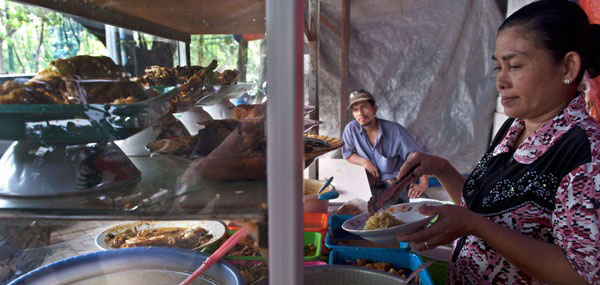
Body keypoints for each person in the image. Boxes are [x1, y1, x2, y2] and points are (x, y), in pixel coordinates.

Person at [396, 1, 600, 283]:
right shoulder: (513, 129)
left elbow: (581, 276)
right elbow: (483, 208)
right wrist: (442, 169)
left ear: (568, 67)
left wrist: (475, 226)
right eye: (498, 67)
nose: (501, 81)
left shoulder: (586, 153)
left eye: (515, 65)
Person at [341, 89, 428, 201]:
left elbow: (418, 157)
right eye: (356, 110)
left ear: (375, 109)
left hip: (398, 182)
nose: (360, 113)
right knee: (365, 212)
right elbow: (348, 154)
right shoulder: (351, 129)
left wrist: (423, 183)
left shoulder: (395, 131)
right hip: (371, 184)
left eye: (364, 107)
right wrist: (365, 162)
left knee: (423, 208)